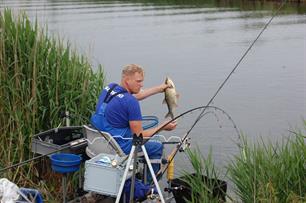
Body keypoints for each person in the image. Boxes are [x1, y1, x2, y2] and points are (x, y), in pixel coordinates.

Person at [90, 64, 177, 175]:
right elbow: (140, 137)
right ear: (127, 80)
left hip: (101, 141)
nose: (142, 85)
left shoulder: (110, 88)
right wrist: (163, 127)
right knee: (157, 147)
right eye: (138, 81)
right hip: (119, 146)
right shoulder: (131, 102)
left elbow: (133, 96)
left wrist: (160, 88)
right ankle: (149, 186)